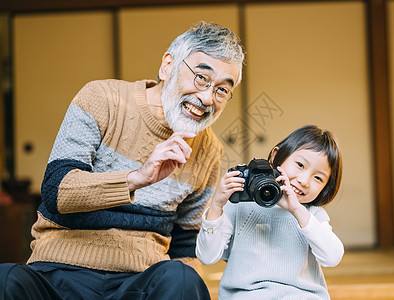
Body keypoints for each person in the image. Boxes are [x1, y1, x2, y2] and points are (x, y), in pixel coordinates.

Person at [0, 21, 244, 300]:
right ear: (167, 66)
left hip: (139, 282)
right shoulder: (102, 98)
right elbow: (57, 192)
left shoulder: (208, 148)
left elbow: (186, 242)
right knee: (5, 279)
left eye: (222, 90)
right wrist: (137, 178)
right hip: (58, 273)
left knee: (183, 278)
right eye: (201, 78)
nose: (207, 97)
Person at [196, 125, 344, 300]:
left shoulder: (312, 215)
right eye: (300, 165)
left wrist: (297, 210)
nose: (304, 181)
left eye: (318, 178)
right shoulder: (240, 206)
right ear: (275, 156)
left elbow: (332, 258)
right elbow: (207, 256)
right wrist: (217, 206)